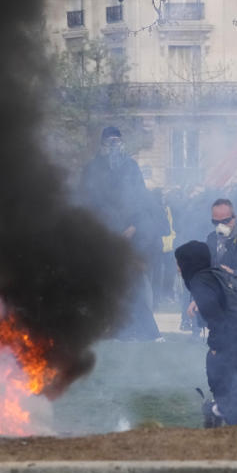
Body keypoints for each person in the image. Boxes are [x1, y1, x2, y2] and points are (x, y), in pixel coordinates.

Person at [80, 126, 160, 341]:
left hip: (130, 237)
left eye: (118, 140)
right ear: (103, 144)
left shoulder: (131, 167)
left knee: (134, 283)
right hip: (103, 238)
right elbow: (86, 203)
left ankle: (141, 329)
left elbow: (142, 200)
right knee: (104, 284)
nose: (114, 145)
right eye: (110, 141)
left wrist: (134, 226)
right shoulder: (92, 169)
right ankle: (106, 327)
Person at [175, 241, 237, 425]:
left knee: (221, 381)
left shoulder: (199, 282)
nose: (178, 267)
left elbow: (217, 319)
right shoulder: (214, 274)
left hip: (233, 338)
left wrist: (216, 348)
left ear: (189, 263)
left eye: (179, 262)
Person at [205, 199, 237, 279]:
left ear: (234, 218)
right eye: (216, 222)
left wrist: (233, 273)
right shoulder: (211, 238)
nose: (220, 226)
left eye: (225, 221)